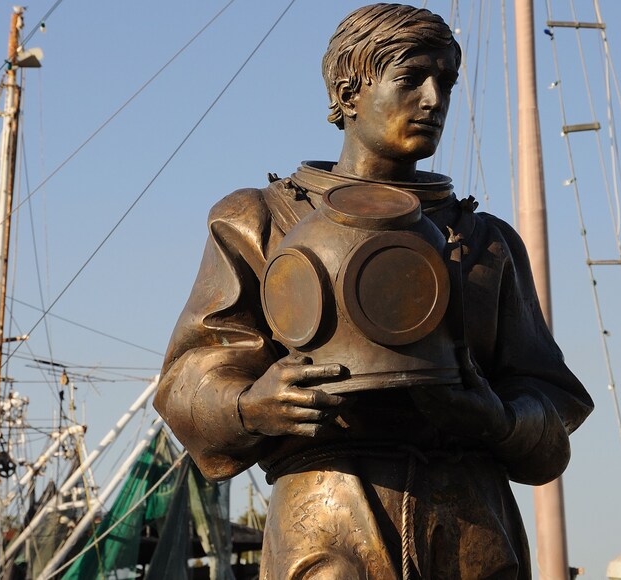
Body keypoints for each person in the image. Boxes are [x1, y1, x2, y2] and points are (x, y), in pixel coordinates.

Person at [154, 3, 593, 579]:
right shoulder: (261, 221)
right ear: (348, 91)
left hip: (472, 528)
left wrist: (497, 418)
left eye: (446, 81)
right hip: (328, 518)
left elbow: (552, 397)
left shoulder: (487, 243)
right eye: (412, 78)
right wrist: (253, 404)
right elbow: (190, 375)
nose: (434, 100)